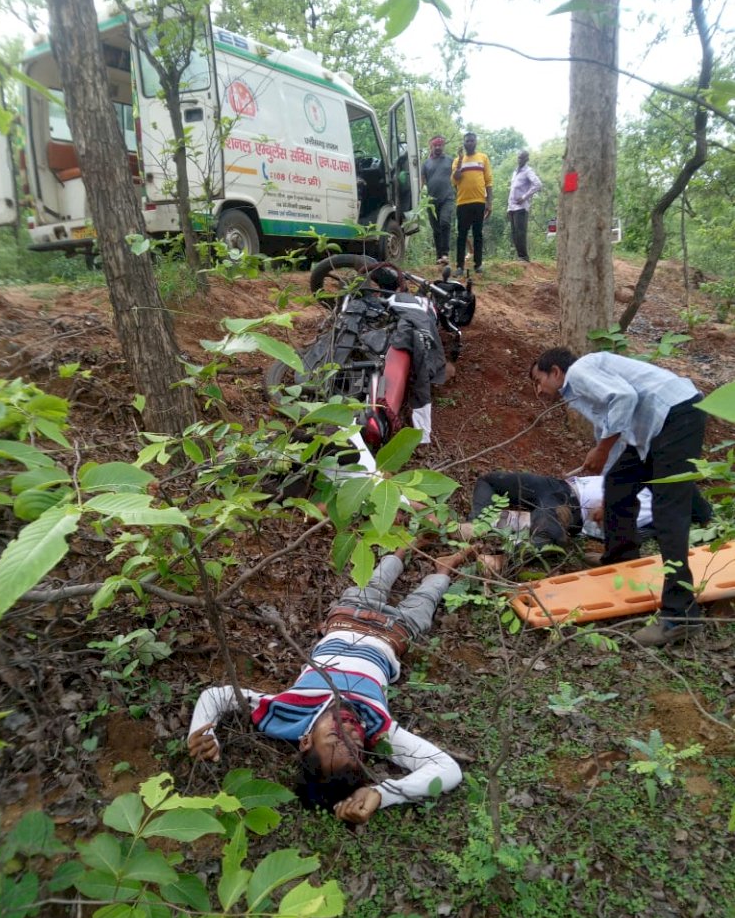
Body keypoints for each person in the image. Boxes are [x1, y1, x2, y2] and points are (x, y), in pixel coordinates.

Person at [188, 549, 466, 824]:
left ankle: (405, 547)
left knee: (378, 578)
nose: (349, 728)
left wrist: (203, 731)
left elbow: (217, 696)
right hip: (396, 632)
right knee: (427, 596)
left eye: (335, 736)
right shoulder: (377, 730)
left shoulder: (285, 712)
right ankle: (444, 567)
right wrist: (382, 793)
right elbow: (447, 769)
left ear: (306, 741)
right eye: (356, 743)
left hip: (349, 616)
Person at [530, 348, 707, 646]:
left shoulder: (580, 371)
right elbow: (613, 438)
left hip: (676, 415)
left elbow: (625, 399)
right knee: (619, 483)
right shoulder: (577, 391)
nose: (539, 389)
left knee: (668, 513)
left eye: (539, 380)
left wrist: (600, 450)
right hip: (654, 430)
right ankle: (620, 558)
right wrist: (606, 491)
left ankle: (681, 615)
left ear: (556, 372)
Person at [463, 470, 711, 549]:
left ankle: (539, 543)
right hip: (561, 486)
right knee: (491, 480)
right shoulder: (651, 480)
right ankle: (477, 523)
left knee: (541, 532)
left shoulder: (655, 522)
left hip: (570, 512)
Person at [451, 132, 493, 277]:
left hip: (479, 202)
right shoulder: (457, 160)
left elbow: (488, 181)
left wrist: (489, 202)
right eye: (467, 141)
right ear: (464, 143)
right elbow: (455, 180)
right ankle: (460, 267)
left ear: (476, 142)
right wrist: (460, 163)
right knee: (461, 235)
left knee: (478, 234)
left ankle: (478, 264)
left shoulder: (483, 158)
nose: (469, 143)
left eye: (472, 141)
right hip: (462, 202)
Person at [421, 135, 455, 264]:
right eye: (435, 145)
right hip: (431, 201)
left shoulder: (450, 161)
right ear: (431, 146)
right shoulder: (426, 163)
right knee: (436, 229)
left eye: (440, 145)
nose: (438, 147)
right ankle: (439, 256)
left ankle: (445, 254)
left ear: (443, 146)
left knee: (445, 222)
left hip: (447, 198)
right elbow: (422, 181)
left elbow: (458, 177)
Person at [507, 150, 542, 262]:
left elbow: (538, 184)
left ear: (526, 159)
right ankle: (519, 256)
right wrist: (509, 207)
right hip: (512, 207)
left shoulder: (528, 171)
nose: (519, 160)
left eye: (522, 158)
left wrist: (524, 197)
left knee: (520, 232)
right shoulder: (515, 172)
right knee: (514, 233)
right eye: (518, 157)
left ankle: (523, 257)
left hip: (521, 208)